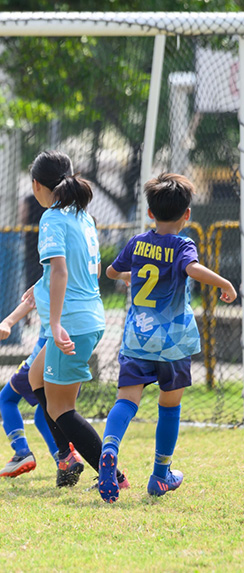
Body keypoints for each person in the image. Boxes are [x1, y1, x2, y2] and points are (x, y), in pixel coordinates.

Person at [99, 173, 236, 503]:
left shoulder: (136, 243)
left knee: (125, 401)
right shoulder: (182, 245)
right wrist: (224, 284)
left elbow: (111, 273)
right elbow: (192, 269)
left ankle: (110, 447)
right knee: (169, 407)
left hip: (137, 339)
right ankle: (161, 475)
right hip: (172, 344)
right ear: (187, 215)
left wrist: (130, 274)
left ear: (150, 213)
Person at [28, 150, 128, 490]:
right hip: (91, 315)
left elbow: (60, 269)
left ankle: (113, 474)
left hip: (71, 322)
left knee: (61, 409)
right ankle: (67, 455)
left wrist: (55, 324)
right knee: (35, 377)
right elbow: (94, 270)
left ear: (37, 185)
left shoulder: (52, 219)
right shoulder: (83, 216)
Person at [0, 298, 63, 479]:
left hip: (43, 357)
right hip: (72, 357)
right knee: (43, 414)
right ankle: (63, 458)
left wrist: (7, 322)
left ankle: (21, 451)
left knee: (7, 398)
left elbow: (32, 299)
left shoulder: (55, 274)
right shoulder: (87, 278)